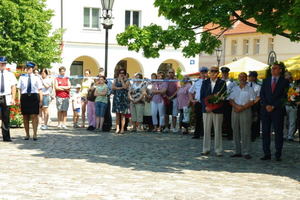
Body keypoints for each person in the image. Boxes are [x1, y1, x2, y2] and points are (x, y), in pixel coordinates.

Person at [260, 63, 289, 161]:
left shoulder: (284, 82)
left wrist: (273, 106)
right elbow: (262, 94)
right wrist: (266, 105)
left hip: (277, 111)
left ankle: (278, 153)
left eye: (275, 68)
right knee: (265, 132)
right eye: (272, 68)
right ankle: (266, 153)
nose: (273, 70)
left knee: (278, 132)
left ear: (280, 70)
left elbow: (284, 96)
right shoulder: (266, 81)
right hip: (266, 110)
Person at [200, 65, 227, 156]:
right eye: (212, 71)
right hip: (207, 110)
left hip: (217, 109)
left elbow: (223, 96)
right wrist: (205, 106)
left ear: (218, 73)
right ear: (209, 72)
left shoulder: (222, 83)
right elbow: (202, 96)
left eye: (215, 71)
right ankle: (206, 148)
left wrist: (214, 105)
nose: (213, 73)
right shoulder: (205, 82)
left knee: (217, 129)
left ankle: (218, 149)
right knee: (206, 129)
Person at [229, 72, 255, 159]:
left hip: (246, 110)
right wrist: (237, 107)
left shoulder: (250, 89)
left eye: (244, 77)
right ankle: (237, 151)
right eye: (240, 77)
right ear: (238, 78)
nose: (242, 78)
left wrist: (242, 108)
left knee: (246, 131)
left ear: (246, 78)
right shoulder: (234, 88)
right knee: (235, 130)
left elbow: (252, 102)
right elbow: (231, 100)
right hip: (235, 110)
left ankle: (246, 151)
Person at [17, 61, 43, 141]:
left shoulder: (37, 78)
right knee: (25, 116)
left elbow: (40, 90)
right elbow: (19, 89)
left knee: (34, 115)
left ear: (33, 69)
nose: (28, 69)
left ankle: (35, 134)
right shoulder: (22, 77)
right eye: (27, 68)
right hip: (25, 96)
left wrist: (41, 101)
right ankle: (27, 134)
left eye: (30, 68)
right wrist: (19, 100)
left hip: (34, 96)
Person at [0, 56, 17, 142]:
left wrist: (13, 98)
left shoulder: (10, 74)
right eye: (1, 63)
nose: (2, 65)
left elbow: (13, 87)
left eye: (4, 64)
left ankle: (6, 137)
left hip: (6, 97)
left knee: (5, 118)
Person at [189, 66, 208, 139]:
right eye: (202, 73)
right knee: (198, 118)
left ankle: (206, 134)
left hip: (206, 102)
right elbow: (190, 91)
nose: (203, 74)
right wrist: (192, 99)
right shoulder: (197, 82)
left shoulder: (209, 82)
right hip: (199, 102)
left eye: (205, 73)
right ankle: (197, 134)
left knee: (207, 119)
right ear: (200, 73)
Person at [221, 67, 237, 140]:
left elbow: (235, 92)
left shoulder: (232, 82)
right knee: (219, 118)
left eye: (226, 73)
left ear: (228, 74)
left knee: (228, 118)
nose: (224, 74)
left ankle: (229, 134)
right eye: (223, 73)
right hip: (220, 101)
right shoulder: (219, 82)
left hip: (228, 102)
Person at [112, 68, 130, 134]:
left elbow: (125, 87)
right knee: (117, 114)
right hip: (117, 98)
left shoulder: (127, 81)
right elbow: (113, 87)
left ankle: (122, 128)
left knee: (123, 114)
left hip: (123, 98)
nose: (121, 74)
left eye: (123, 73)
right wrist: (120, 88)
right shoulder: (115, 80)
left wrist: (122, 81)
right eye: (120, 73)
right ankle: (117, 128)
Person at [163, 68, 180, 133]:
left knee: (174, 114)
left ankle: (174, 128)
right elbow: (163, 89)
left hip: (174, 98)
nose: (171, 73)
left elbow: (178, 89)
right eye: (169, 72)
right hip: (166, 98)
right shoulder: (165, 80)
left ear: (174, 73)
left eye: (172, 72)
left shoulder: (177, 81)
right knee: (166, 113)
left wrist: (172, 97)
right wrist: (167, 97)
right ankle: (166, 127)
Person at [247, 71, 261, 141]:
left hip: (254, 104)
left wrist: (253, 103)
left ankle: (253, 135)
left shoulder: (257, 86)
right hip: (246, 104)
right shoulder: (246, 85)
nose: (250, 78)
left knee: (254, 120)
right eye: (250, 77)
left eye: (252, 77)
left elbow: (258, 96)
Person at [283, 72, 296, 141]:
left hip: (292, 105)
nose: (289, 80)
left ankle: (290, 135)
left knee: (292, 121)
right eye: (287, 78)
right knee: (283, 121)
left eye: (290, 78)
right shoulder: (283, 86)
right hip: (285, 105)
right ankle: (284, 135)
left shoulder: (294, 86)